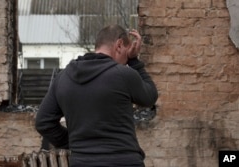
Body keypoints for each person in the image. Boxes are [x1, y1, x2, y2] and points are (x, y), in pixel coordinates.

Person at [35, 24, 158, 167]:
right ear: (119, 45)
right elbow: (150, 97)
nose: (126, 57)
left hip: (82, 162)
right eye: (126, 51)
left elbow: (43, 122)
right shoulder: (123, 75)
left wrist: (76, 143)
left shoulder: (63, 78)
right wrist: (133, 61)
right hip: (124, 161)